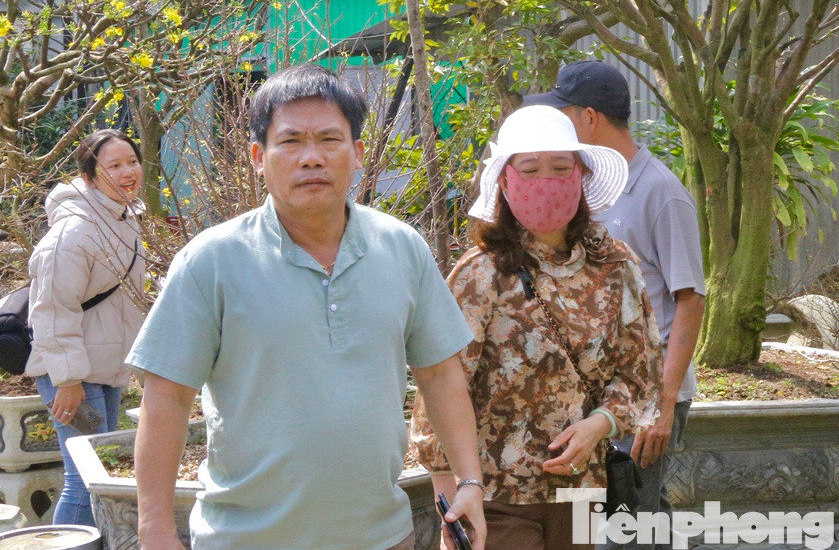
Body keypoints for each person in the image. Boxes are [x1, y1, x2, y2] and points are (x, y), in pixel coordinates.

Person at [128, 65, 487, 550]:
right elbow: (166, 396)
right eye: (291, 141)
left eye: (329, 140)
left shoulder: (402, 248)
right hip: (246, 540)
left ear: (358, 153)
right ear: (259, 157)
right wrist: (154, 529)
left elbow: (441, 375)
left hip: (383, 536)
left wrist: (469, 482)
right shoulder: (211, 260)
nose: (311, 158)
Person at [412, 104, 661, 550]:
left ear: (581, 176)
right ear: (505, 183)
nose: (546, 180)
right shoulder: (481, 274)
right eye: (529, 169)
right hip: (496, 497)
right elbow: (441, 384)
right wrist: (447, 493)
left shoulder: (615, 267)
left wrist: (601, 424)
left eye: (560, 167)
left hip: (582, 490)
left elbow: (640, 370)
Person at [523, 60, 705, 550]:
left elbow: (691, 300)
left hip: (649, 394)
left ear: (588, 118)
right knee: (600, 528)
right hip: (599, 397)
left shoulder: (661, 192)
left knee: (634, 527)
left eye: (563, 113)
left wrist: (662, 407)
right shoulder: (584, 185)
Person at [27, 128, 147, 527]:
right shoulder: (73, 233)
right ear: (89, 177)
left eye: (132, 161)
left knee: (103, 474)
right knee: (86, 479)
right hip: (73, 376)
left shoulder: (123, 218)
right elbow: (51, 311)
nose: (128, 171)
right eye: (114, 166)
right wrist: (69, 379)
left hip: (106, 368)